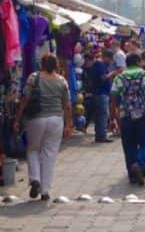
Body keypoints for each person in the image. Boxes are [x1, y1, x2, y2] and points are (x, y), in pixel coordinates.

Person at [16, 52, 74, 201]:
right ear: (56, 66)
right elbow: (67, 105)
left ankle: (35, 178)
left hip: (35, 118)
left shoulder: (33, 78)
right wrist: (69, 124)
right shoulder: (62, 81)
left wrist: (17, 118)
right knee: (49, 154)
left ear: (41, 64)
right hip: (56, 119)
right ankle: (45, 190)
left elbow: (25, 98)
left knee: (33, 149)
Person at [110, 51, 145, 184]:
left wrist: (113, 118)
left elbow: (113, 100)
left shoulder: (119, 77)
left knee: (129, 146)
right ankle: (139, 165)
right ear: (139, 62)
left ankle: (133, 176)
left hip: (126, 116)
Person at [83, 48, 114, 144]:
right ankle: (101, 136)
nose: (110, 61)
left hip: (100, 93)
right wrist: (112, 73)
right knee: (102, 115)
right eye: (110, 58)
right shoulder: (99, 64)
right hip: (100, 93)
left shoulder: (100, 64)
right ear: (106, 57)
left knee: (101, 115)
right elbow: (103, 77)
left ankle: (100, 135)